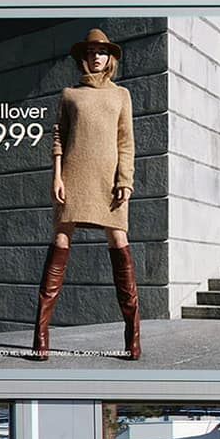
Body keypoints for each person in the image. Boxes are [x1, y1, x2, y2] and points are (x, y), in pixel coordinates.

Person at [35, 27, 140, 361]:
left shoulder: (121, 95)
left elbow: (126, 142)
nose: (96, 57)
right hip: (73, 176)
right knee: (60, 240)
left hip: (109, 181)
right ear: (84, 57)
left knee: (119, 241)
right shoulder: (70, 94)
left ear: (110, 58)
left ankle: (132, 337)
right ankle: (41, 336)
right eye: (91, 52)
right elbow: (58, 136)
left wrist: (125, 180)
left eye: (101, 52)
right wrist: (56, 176)